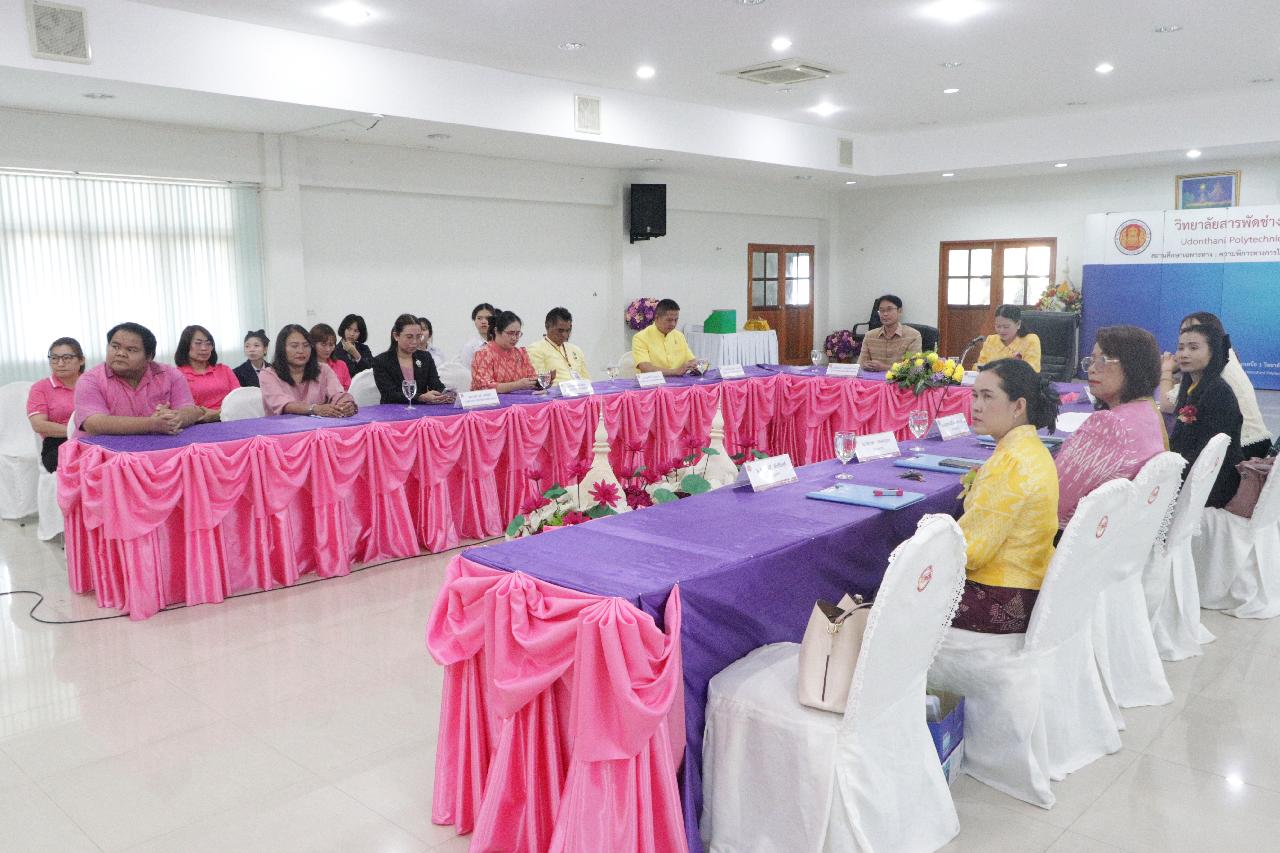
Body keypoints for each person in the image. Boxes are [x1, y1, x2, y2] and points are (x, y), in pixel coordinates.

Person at [951, 359, 1061, 633]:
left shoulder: (1010, 462)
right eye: (974, 395)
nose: (976, 406)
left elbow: (971, 552)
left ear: (1019, 406)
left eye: (988, 396)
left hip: (1000, 597)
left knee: (889, 591)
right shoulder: (1033, 449)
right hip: (1029, 586)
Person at [1054, 326, 1167, 528]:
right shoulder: (1148, 411)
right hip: (1118, 533)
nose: (1091, 369)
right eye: (1091, 360)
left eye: (1103, 360)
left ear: (1133, 366)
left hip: (1073, 536)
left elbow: (1054, 497)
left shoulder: (1109, 425)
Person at [1159, 312, 1270, 458]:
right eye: (1184, 333)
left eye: (1194, 346)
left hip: (1244, 448)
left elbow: (1167, 405)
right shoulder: (1204, 370)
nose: (1185, 352)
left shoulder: (1218, 383)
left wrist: (1166, 369)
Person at [75, 322, 204, 435]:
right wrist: (152, 424)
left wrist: (175, 417)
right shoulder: (90, 380)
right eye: (115, 346)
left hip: (157, 447)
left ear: (149, 356)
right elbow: (93, 423)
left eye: (131, 350)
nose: (120, 353)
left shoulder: (170, 375)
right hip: (100, 450)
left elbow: (189, 410)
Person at [1168, 323, 1243, 508]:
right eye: (1181, 348)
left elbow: (1209, 454)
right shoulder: (1191, 389)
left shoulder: (1219, 393)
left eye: (1193, 348)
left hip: (1214, 484)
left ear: (1212, 352)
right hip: (1195, 474)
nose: (1184, 354)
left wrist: (1170, 479)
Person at [259, 324, 359, 417]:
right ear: (282, 349)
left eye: (306, 345)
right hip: (282, 428)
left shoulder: (323, 369)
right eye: (294, 346)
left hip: (319, 427)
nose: (301, 351)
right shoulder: (268, 374)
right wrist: (314, 409)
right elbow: (283, 404)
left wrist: (345, 405)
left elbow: (337, 394)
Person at [27, 337, 84, 472]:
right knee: (87, 461)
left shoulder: (93, 384)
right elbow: (39, 425)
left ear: (81, 360)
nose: (60, 363)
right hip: (57, 444)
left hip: (96, 440)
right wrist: (77, 433)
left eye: (67, 358)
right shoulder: (40, 388)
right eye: (54, 358)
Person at [373, 314, 450, 404]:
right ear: (396, 336)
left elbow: (435, 384)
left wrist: (447, 393)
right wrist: (420, 397)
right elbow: (390, 394)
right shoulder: (381, 361)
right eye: (409, 337)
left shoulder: (425, 357)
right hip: (393, 410)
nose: (415, 342)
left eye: (418, 336)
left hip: (421, 410)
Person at [174, 325, 238, 421]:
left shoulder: (224, 370)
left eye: (208, 343)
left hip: (229, 420)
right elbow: (179, 408)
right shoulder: (177, 375)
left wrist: (219, 414)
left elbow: (238, 400)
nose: (204, 348)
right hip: (195, 423)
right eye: (198, 343)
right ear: (186, 345)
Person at [470, 310, 540, 392]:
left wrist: (540, 384)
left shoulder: (521, 353)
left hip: (521, 399)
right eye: (510, 333)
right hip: (494, 399)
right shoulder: (483, 354)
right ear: (496, 331)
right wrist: (517, 385)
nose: (514, 338)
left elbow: (532, 378)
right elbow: (483, 386)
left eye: (517, 334)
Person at [632, 298, 699, 376]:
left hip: (678, 382)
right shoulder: (640, 338)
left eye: (676, 320)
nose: (673, 324)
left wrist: (695, 367)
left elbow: (691, 360)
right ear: (656, 318)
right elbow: (646, 369)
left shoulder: (679, 336)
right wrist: (675, 372)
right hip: (653, 383)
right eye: (669, 320)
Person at [858, 294, 923, 372]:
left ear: (899, 311)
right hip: (872, 379)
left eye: (889, 309)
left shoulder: (913, 336)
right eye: (881, 310)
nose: (885, 314)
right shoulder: (869, 336)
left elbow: (914, 368)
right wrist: (865, 365)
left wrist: (884, 367)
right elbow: (860, 365)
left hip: (900, 379)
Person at [527, 306, 590, 385]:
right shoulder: (535, 349)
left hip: (581, 391)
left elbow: (587, 380)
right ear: (547, 327)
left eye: (568, 330)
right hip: (555, 392)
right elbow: (540, 383)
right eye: (560, 330)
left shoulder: (576, 349)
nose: (565, 335)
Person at [976, 304, 1042, 372]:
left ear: (1018, 324)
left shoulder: (1031, 340)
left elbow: (1032, 370)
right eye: (998, 326)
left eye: (1006, 327)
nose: (1001, 330)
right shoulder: (991, 340)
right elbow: (979, 365)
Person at [309, 323, 352, 390]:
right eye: (323, 344)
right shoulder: (306, 367)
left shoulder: (341, 365)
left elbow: (348, 390)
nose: (328, 349)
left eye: (331, 345)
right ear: (313, 344)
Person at [458, 303, 495, 369]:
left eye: (488, 318)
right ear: (474, 321)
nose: (483, 321)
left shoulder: (503, 344)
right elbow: (466, 372)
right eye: (479, 318)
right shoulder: (469, 347)